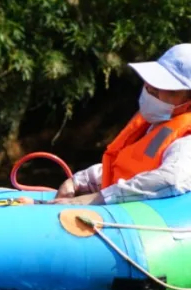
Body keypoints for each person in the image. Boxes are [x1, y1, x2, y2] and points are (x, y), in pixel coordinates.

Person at [33, 44, 191, 205]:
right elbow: (134, 168)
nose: (151, 89)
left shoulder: (186, 140)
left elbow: (172, 179)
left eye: (168, 89)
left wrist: (96, 198)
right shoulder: (160, 125)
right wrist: (81, 180)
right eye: (153, 82)